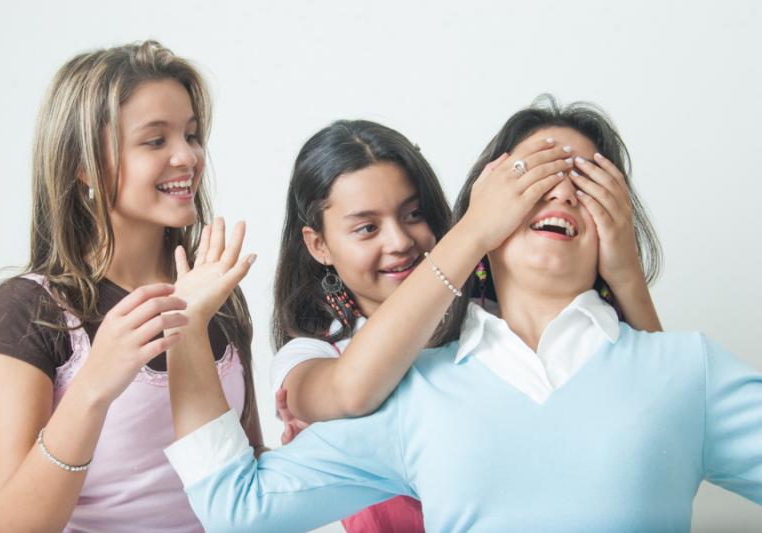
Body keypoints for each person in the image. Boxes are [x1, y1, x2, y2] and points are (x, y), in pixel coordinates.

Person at [164, 99, 758, 531]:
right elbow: (239, 508)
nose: (560, 192)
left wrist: (626, 272)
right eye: (532, 177)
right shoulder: (413, 391)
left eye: (588, 180)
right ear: (483, 213)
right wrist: (186, 334)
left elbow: (655, 392)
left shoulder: (686, 370)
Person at [269, 119, 663, 531]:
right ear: (319, 245)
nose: (400, 241)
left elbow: (663, 411)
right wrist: (475, 230)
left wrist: (626, 274)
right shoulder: (311, 358)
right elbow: (352, 392)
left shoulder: (497, 326)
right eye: (367, 228)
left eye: (414, 213)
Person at [0, 40, 264, 532]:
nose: (187, 156)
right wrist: (94, 385)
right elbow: (17, 524)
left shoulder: (216, 295)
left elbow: (246, 477)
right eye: (155, 141)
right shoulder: (26, 311)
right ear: (83, 163)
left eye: (191, 135)